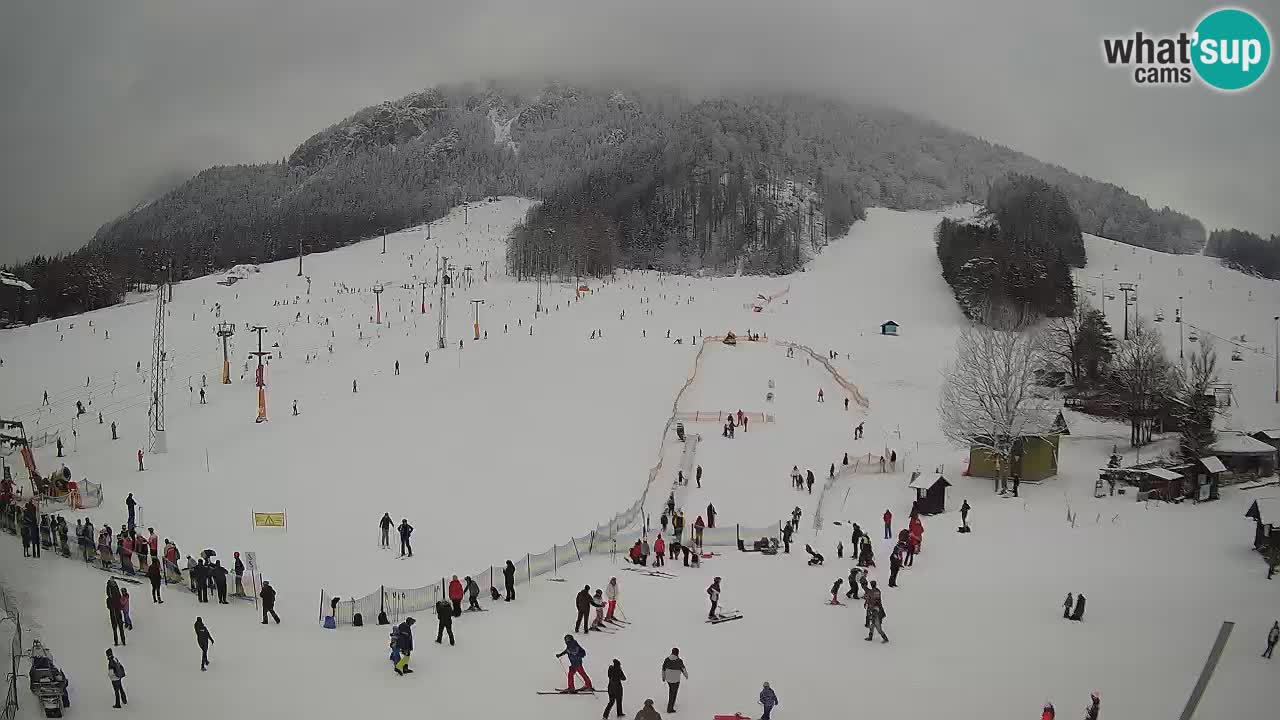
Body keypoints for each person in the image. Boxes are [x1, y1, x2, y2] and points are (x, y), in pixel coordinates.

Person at [661, 648, 688, 713]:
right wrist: (686, 675)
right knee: (673, 693)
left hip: (668, 679)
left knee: (671, 691)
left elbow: (663, 669)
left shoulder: (667, 660)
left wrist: (663, 677)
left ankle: (671, 703)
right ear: (677, 653)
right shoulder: (679, 661)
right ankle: (670, 708)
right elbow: (683, 669)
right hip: (676, 680)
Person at [107, 579, 127, 646]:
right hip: (116, 612)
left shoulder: (110, 597)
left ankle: (118, 642)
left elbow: (109, 606)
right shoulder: (113, 595)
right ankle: (121, 641)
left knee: (116, 628)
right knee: (118, 627)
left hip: (114, 612)